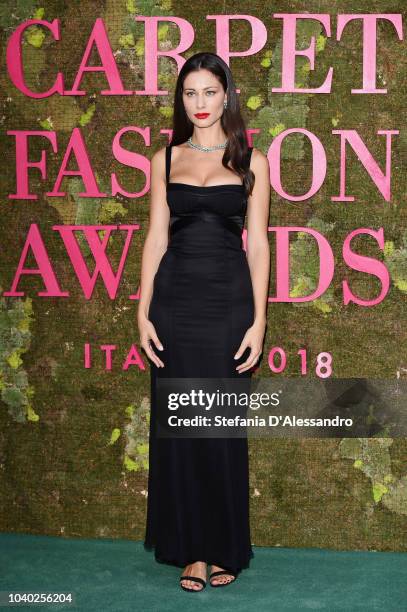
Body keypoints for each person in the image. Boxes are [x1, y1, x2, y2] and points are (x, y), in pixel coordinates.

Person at [137, 52, 270, 592]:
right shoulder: (164, 159)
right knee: (180, 430)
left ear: (226, 95)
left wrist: (259, 320)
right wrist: (142, 308)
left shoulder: (251, 160)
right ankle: (190, 550)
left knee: (218, 428)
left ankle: (224, 546)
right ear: (181, 100)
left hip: (228, 305)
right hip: (174, 304)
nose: (200, 104)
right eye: (190, 94)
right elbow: (156, 237)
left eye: (209, 92)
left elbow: (258, 246)